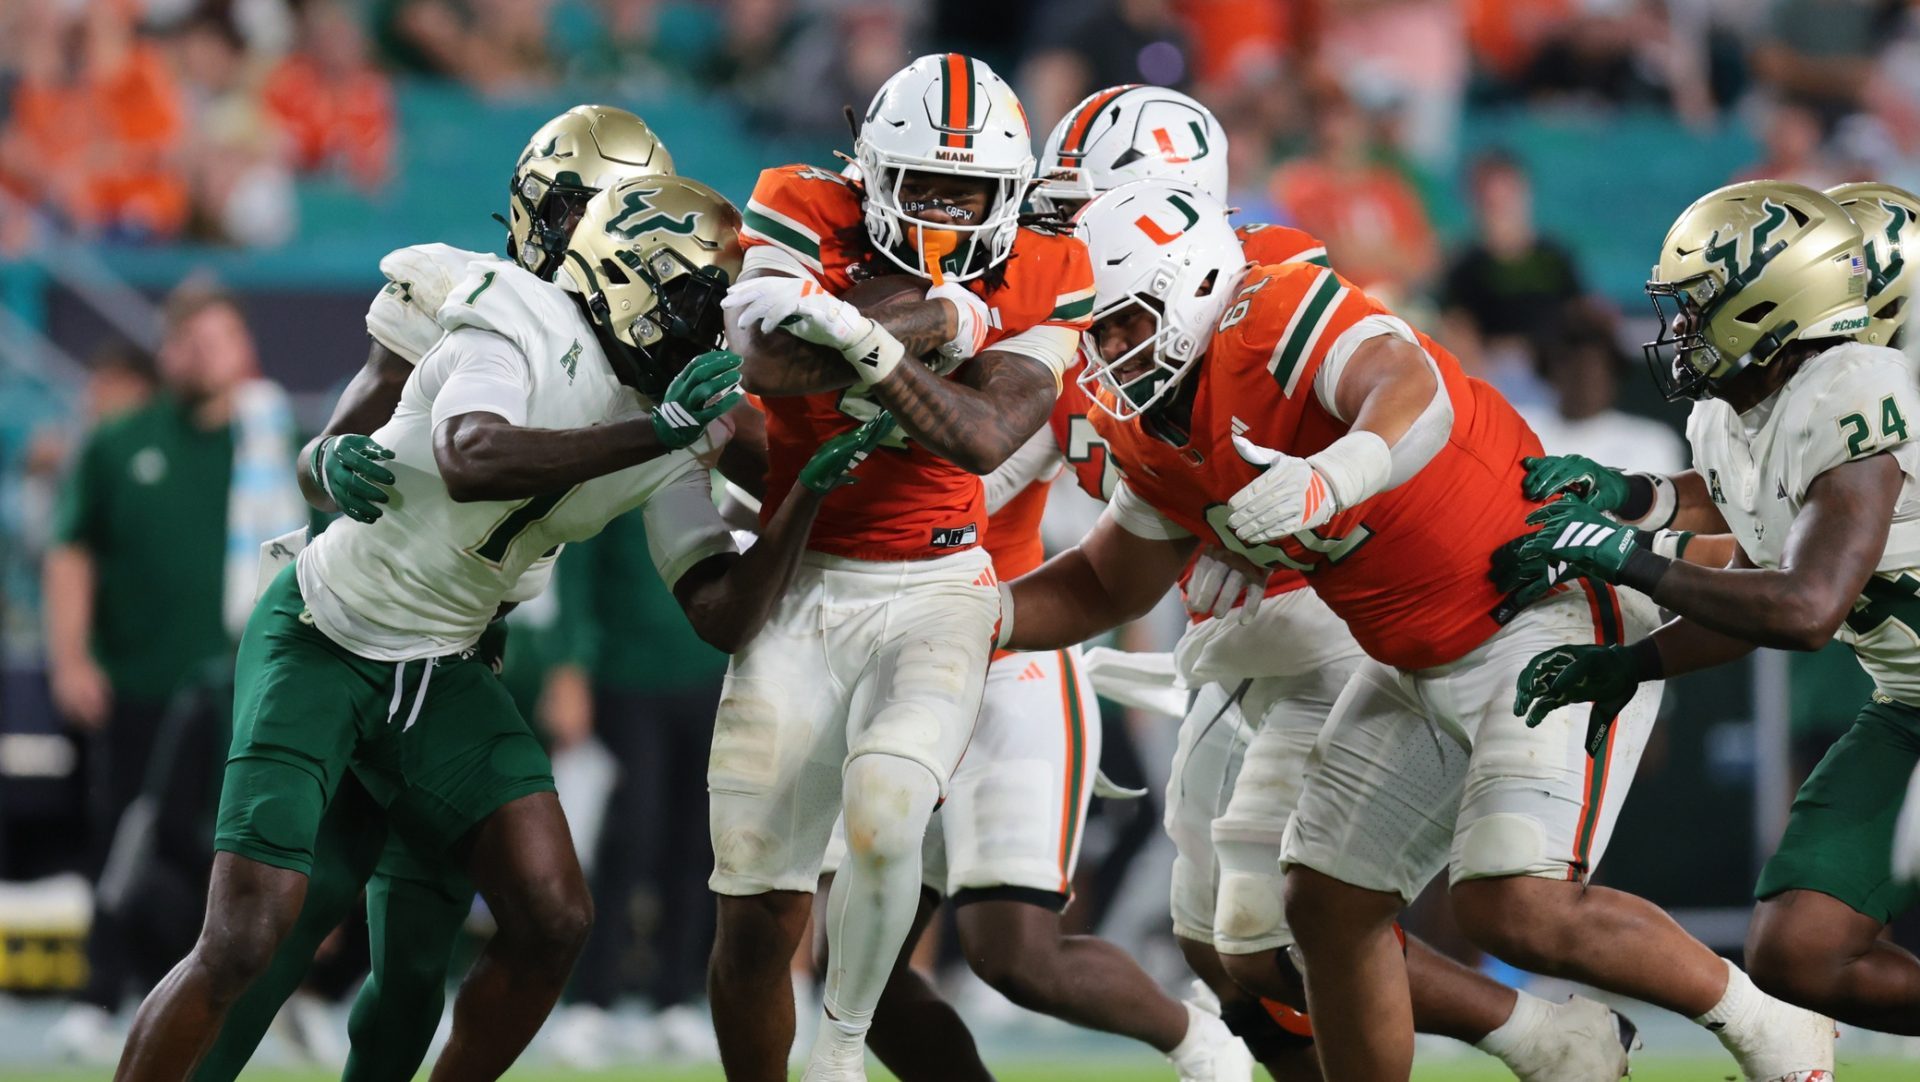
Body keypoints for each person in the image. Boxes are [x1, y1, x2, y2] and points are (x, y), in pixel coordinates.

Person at [995, 178, 1834, 1082]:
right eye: (1097, 328)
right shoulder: (1150, 428)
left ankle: (1771, 1028)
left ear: (1193, 282)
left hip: (1536, 609)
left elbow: (1411, 387)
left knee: (1516, 908)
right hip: (1409, 657)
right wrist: (984, 613)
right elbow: (1102, 580)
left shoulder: (1270, 310)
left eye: (1124, 320)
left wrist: (1336, 473)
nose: (1108, 350)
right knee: (1321, 904)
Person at [113, 174, 888, 1082]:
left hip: (448, 667)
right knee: (246, 934)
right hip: (328, 633)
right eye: (693, 301)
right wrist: (664, 433)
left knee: (551, 916)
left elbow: (720, 606)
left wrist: (812, 493)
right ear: (627, 278)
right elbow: (471, 454)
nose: (708, 328)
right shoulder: (516, 310)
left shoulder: (678, 421)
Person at [188, 104, 690, 1082]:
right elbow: (331, 451)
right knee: (288, 916)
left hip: (465, 658)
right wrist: (328, 460)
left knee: (419, 959)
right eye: (572, 208)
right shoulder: (470, 294)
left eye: (608, 213)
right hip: (356, 626)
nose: (582, 234)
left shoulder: (639, 364)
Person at [709, 52, 1098, 1082]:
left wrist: (863, 339)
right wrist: (940, 323)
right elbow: (764, 362)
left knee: (886, 809)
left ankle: (838, 1049)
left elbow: (982, 434)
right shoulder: (799, 201)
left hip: (940, 584)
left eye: (966, 190)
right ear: (870, 168)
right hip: (801, 581)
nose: (943, 211)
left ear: (1010, 192)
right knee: (755, 909)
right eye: (922, 183)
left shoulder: (1052, 264)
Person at [1517, 179, 1920, 1041]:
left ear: (1772, 305)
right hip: (1910, 704)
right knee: (1799, 950)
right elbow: (1752, 558)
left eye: (1700, 304)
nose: (1680, 327)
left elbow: (1805, 606)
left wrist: (1631, 557)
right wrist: (1636, 655)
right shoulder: (1739, 411)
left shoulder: (1856, 387)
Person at [46, 284, 305, 1053]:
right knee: (122, 840)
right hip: (139, 679)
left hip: (245, 685)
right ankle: (102, 995)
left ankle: (249, 1006)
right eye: (190, 339)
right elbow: (71, 551)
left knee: (242, 850)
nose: (205, 354)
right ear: (167, 349)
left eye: (220, 338)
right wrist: (71, 657)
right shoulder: (120, 441)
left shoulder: (274, 441)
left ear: (244, 349)